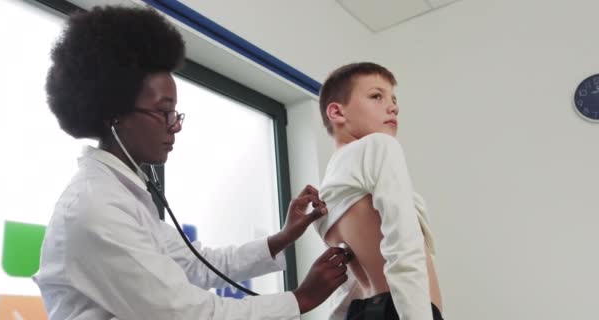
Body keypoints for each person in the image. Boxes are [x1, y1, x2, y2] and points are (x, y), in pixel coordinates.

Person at [34, 6, 349, 320]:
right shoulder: (95, 208)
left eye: (175, 113)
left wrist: (284, 236)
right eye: (163, 111)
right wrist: (301, 299)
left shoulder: (124, 198)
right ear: (114, 112)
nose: (175, 125)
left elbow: (200, 263)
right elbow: (184, 312)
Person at [313, 62, 444, 320]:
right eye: (376, 96)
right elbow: (403, 243)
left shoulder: (326, 191)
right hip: (404, 311)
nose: (393, 106)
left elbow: (349, 285)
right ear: (337, 112)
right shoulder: (379, 146)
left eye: (394, 99)